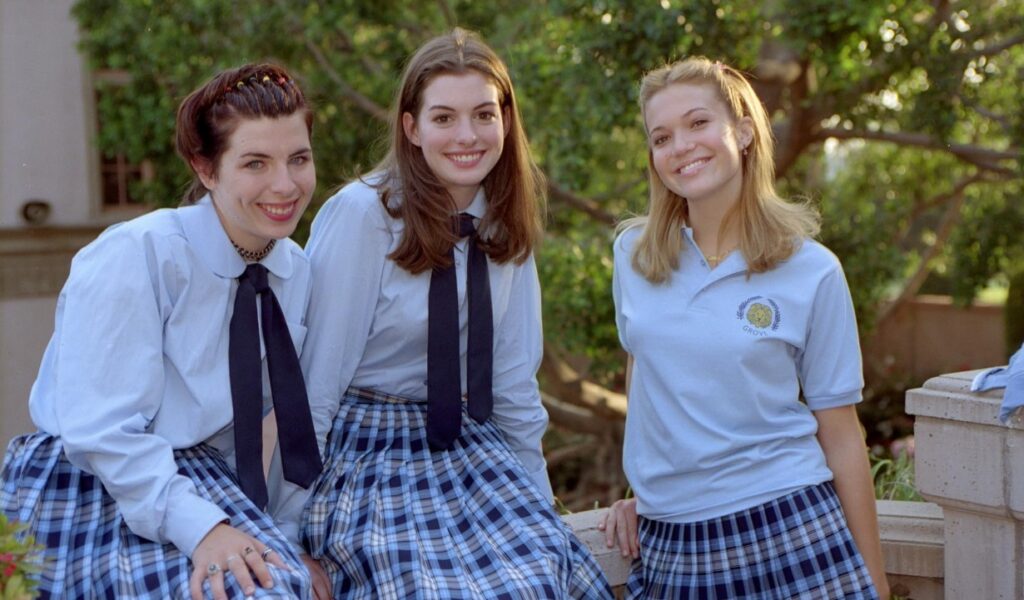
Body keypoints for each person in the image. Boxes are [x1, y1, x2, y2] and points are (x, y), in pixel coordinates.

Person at [299, 28, 612, 599]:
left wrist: (541, 509)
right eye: (443, 117)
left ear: (506, 121)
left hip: (469, 443)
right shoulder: (363, 216)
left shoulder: (504, 219)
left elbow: (514, 383)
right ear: (411, 128)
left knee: (546, 574)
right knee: (418, 587)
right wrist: (284, 526)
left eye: (483, 115)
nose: (467, 136)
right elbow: (316, 385)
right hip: (369, 450)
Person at [0, 63, 332, 599]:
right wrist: (201, 528)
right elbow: (102, 432)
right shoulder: (136, 254)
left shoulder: (292, 273)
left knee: (290, 582)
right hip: (93, 481)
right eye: (255, 163)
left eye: (299, 158)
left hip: (202, 479)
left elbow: (272, 428)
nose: (285, 185)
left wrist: (279, 534)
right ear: (205, 167)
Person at [599, 57, 889, 599]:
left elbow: (843, 434)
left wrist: (873, 581)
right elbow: (649, 381)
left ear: (745, 130)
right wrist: (646, 489)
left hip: (791, 527)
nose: (680, 145)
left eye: (697, 123)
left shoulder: (812, 269)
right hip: (671, 543)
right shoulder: (633, 256)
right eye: (661, 136)